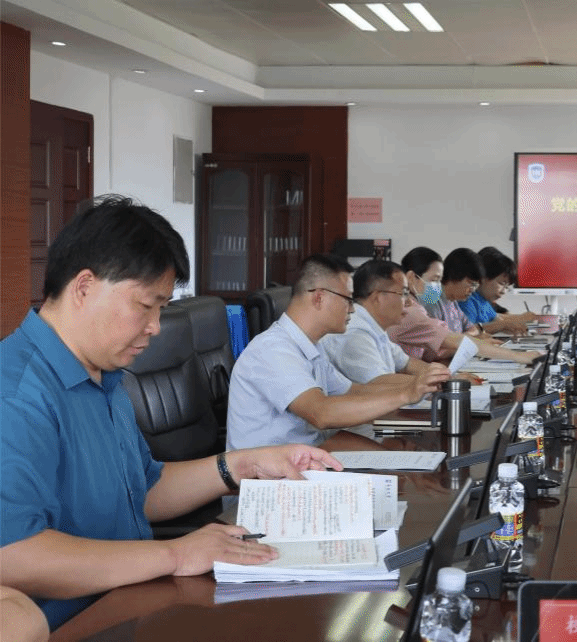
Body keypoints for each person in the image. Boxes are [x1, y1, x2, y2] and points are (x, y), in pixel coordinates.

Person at [0, 196, 343, 632]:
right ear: (84, 287)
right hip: (80, 625)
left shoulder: (103, 375)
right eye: (146, 306)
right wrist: (177, 554)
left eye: (162, 308)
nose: (156, 327)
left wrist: (242, 463)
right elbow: (11, 554)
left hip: (136, 603)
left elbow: (142, 489)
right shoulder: (14, 394)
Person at [226, 254, 440, 450]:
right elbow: (321, 413)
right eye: (348, 299)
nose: (353, 308)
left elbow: (352, 391)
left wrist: (422, 385)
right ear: (319, 298)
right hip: (266, 482)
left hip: (305, 463)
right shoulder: (273, 349)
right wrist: (406, 394)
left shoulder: (312, 347)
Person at [392, 247, 541, 366]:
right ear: (411, 278)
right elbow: (449, 343)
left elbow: (470, 331)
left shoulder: (420, 306)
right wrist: (518, 356)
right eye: (435, 280)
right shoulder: (411, 312)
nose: (438, 286)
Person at [321, 259, 451, 388]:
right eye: (404, 293)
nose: (409, 302)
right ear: (377, 297)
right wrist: (435, 380)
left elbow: (406, 363)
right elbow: (379, 382)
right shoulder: (355, 333)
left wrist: (445, 376)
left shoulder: (374, 327)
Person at [459, 247, 533, 336]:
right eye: (502, 283)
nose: (504, 291)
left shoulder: (485, 302)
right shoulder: (467, 301)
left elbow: (498, 320)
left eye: (507, 287)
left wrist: (513, 326)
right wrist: (503, 325)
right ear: (483, 277)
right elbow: (466, 332)